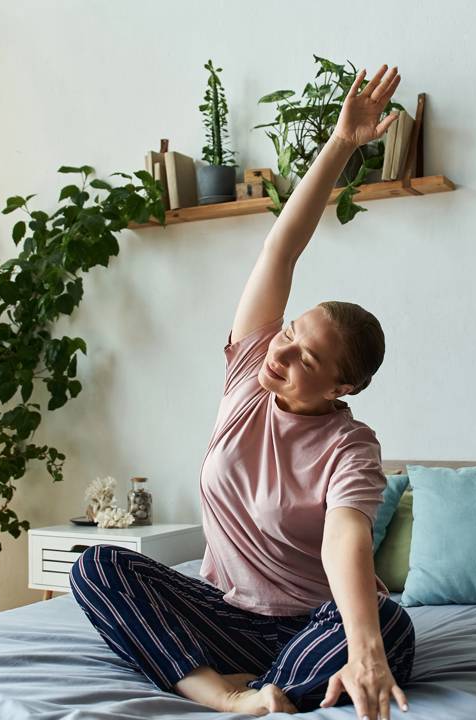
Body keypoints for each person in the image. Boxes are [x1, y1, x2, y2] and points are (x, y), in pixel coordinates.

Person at [70, 64, 414, 720]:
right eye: (288, 333)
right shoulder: (250, 369)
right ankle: (227, 694)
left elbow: (346, 537)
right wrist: (342, 145)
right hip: (222, 614)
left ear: (342, 384)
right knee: (98, 569)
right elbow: (280, 253)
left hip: (313, 622)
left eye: (304, 355)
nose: (279, 351)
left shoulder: (352, 448)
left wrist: (363, 643)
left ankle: (272, 682)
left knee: (389, 629)